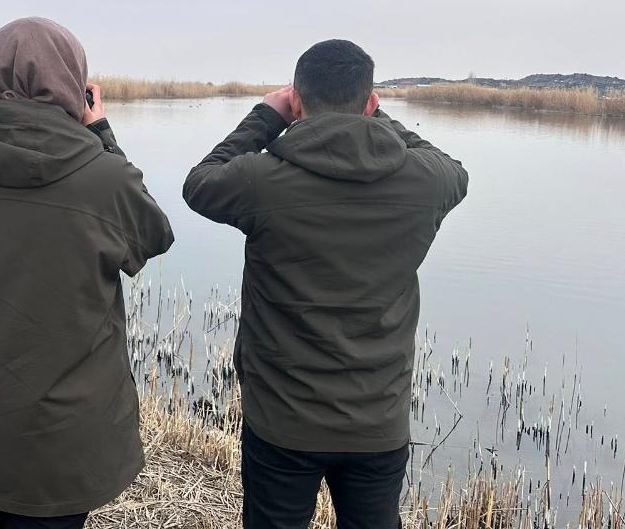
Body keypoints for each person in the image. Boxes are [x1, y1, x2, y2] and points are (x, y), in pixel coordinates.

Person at [183, 40, 469, 529]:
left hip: (282, 418)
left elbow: (200, 183)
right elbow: (451, 168)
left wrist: (264, 118)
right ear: (370, 101)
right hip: (377, 419)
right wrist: (376, 119)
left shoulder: (263, 180)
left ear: (297, 101)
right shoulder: (425, 182)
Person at [0, 17, 175, 529]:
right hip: (59, 444)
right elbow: (152, 235)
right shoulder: (101, 175)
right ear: (72, 85)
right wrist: (100, 131)